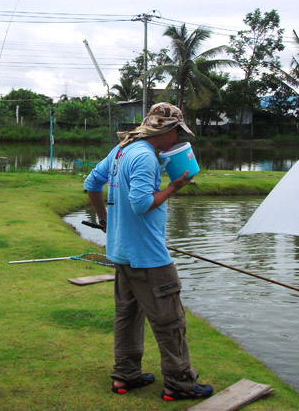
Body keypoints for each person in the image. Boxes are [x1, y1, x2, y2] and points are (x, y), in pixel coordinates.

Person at [83, 102, 214, 402]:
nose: (179, 141)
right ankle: (180, 384)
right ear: (166, 130)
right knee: (170, 320)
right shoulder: (144, 158)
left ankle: (125, 376)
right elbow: (141, 203)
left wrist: (104, 219)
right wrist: (174, 187)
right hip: (148, 257)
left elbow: (91, 184)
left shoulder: (122, 150)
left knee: (127, 316)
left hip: (122, 252)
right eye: (178, 133)